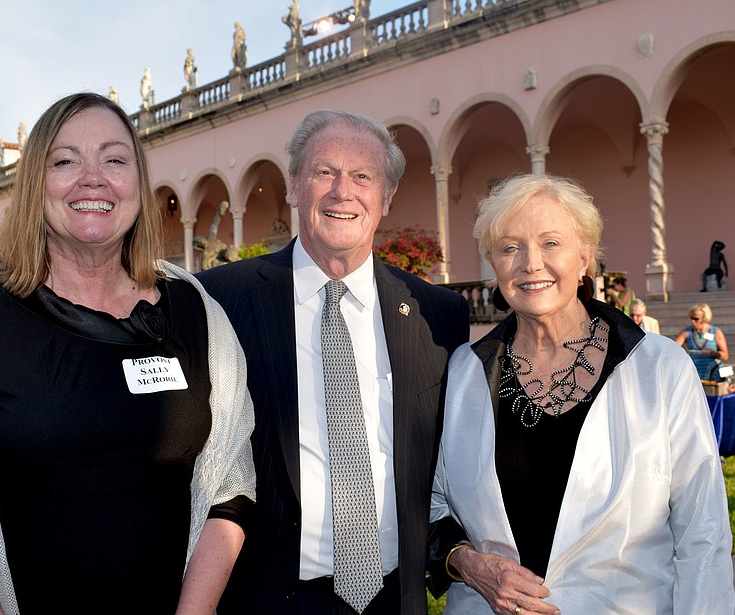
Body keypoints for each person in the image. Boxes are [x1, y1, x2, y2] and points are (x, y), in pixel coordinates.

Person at [0, 92, 255, 615]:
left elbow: (230, 481)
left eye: (114, 159)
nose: (92, 178)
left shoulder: (198, 312)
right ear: (36, 184)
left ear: (138, 184)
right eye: (64, 161)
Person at [197, 109, 470, 615]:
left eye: (363, 176)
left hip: (394, 596)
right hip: (268, 597)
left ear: (385, 199)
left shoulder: (438, 314)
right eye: (324, 172)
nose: (343, 191)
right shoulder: (220, 300)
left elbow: (449, 465)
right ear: (294, 187)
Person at [431, 174, 733, 614]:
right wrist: (465, 561)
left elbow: (702, 531)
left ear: (586, 256)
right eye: (510, 247)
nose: (531, 263)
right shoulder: (464, 370)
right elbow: (433, 500)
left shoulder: (659, 367)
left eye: (551, 243)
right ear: (493, 263)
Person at [675, 302, 729, 381]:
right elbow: (674, 348)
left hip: (713, 373)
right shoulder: (686, 332)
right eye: (691, 318)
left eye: (696, 319)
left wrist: (712, 353)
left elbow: (725, 356)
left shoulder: (715, 332)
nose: (693, 321)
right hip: (696, 373)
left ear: (704, 318)